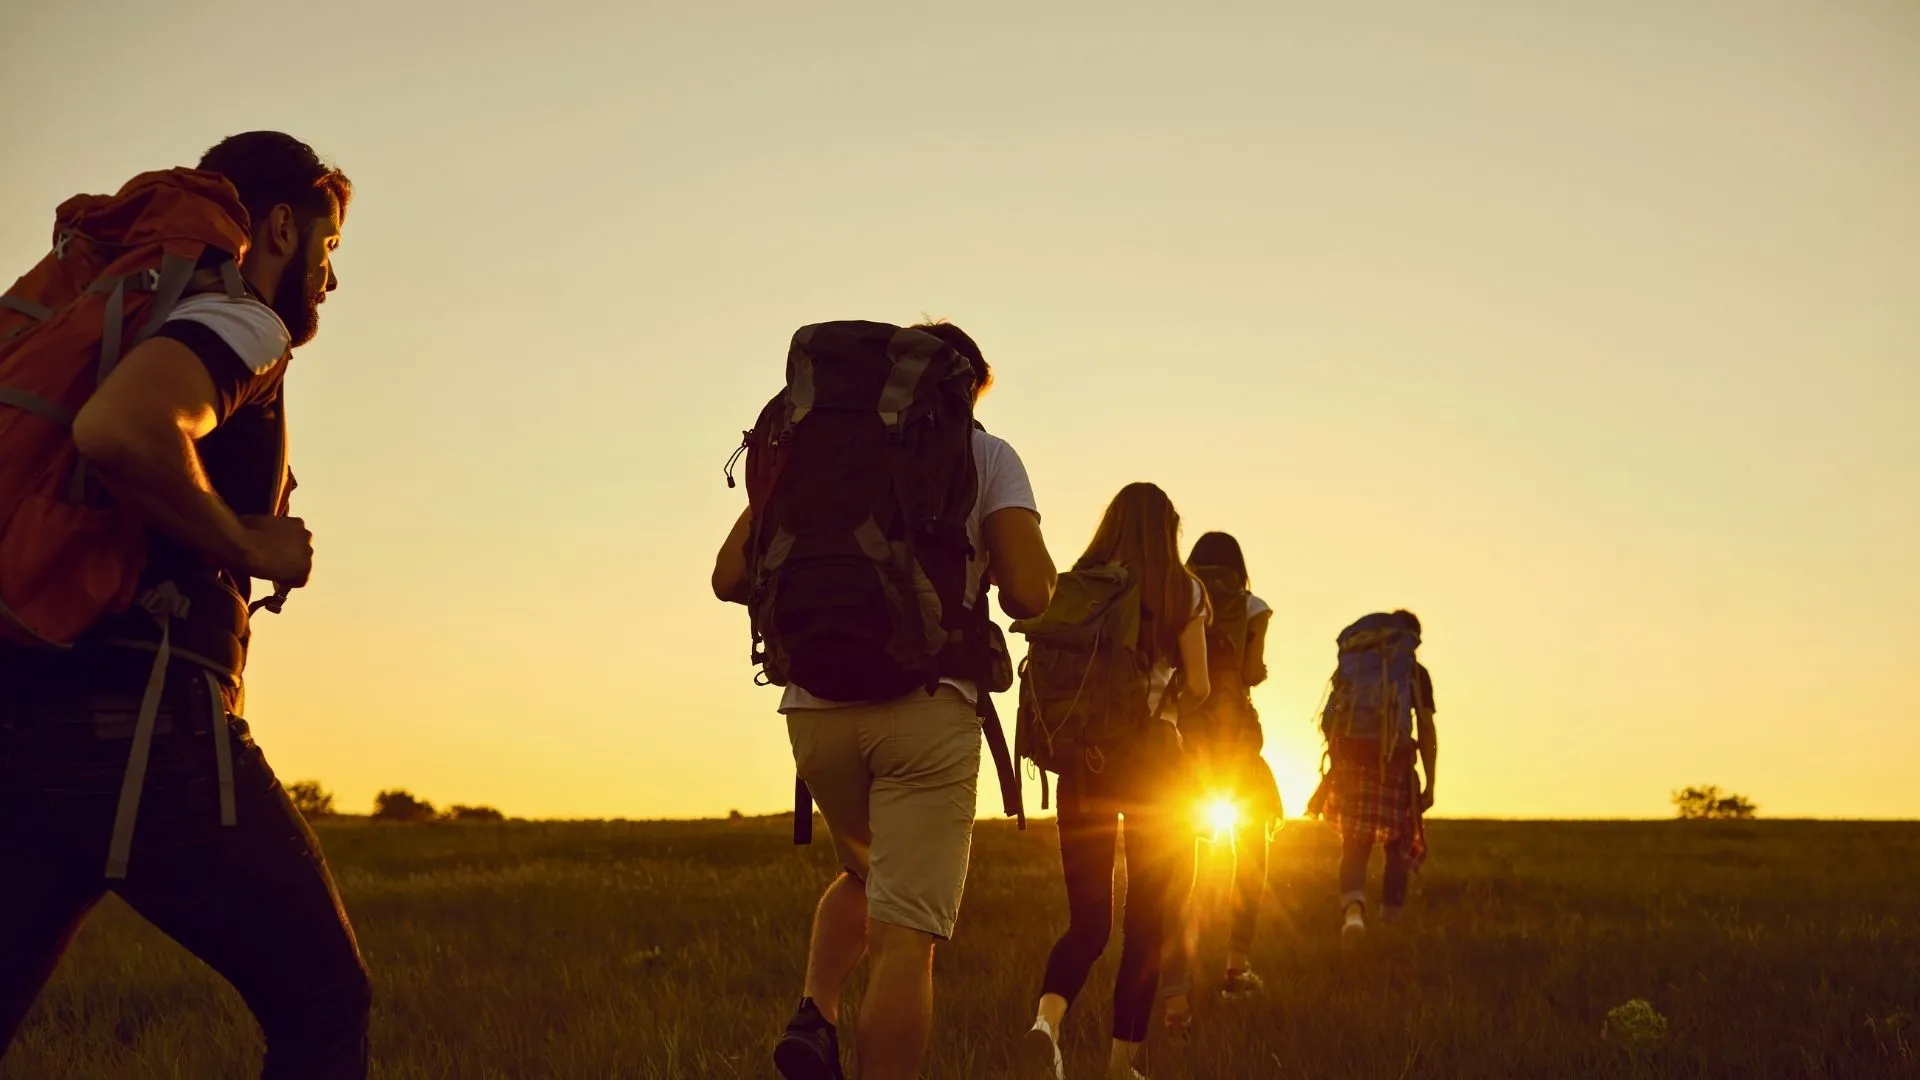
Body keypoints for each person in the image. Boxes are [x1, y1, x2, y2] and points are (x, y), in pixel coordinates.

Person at [0, 132, 370, 1077]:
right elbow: (121, 428)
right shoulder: (242, 317)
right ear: (281, 227)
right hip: (143, 725)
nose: (328, 283)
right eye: (328, 251)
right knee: (326, 1003)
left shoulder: (123, 310)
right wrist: (250, 543)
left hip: (24, 716)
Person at [712, 320, 1056, 1080]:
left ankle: (816, 1012)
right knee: (907, 936)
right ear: (968, 384)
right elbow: (1031, 591)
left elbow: (727, 577)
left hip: (813, 707)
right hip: (926, 707)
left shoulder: (815, 448)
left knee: (870, 875)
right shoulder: (984, 453)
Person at [1023, 483, 1209, 1080]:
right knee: (1146, 925)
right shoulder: (1184, 590)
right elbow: (1201, 687)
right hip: (1155, 770)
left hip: (1084, 765)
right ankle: (1119, 1065)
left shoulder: (1083, 584)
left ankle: (1046, 1025)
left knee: (1089, 923)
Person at [1159, 531, 1281, 1037]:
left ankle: (1174, 994)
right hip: (1236, 745)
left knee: (1174, 867)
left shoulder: (1177, 595)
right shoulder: (1253, 606)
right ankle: (1235, 967)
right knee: (1252, 850)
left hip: (1184, 737)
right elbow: (1251, 673)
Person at [1315, 608, 1437, 939]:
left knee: (1355, 845)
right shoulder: (1413, 672)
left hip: (1354, 761)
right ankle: (1390, 922)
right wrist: (1430, 782)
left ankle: (1353, 914)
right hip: (1394, 763)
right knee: (1398, 845)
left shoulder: (1353, 667)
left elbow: (1330, 715)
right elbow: (1426, 728)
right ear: (1413, 638)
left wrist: (1340, 759)